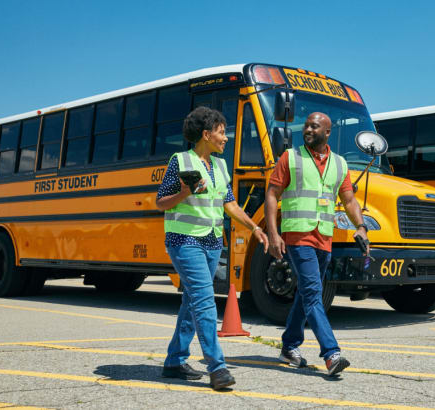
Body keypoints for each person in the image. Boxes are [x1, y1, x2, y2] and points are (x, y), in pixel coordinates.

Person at [156, 106, 268, 390]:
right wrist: (184, 192)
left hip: (212, 240)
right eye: (221, 132)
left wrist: (255, 228)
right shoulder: (180, 161)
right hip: (184, 240)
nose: (225, 138)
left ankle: (174, 361)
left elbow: (229, 204)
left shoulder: (219, 167)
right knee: (205, 299)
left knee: (191, 301)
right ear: (206, 135)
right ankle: (217, 367)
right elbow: (160, 202)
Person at [264, 112, 369, 376]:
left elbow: (349, 200)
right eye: (307, 125)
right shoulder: (290, 157)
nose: (308, 129)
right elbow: (272, 194)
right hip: (298, 235)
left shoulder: (339, 163)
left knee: (306, 294)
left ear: (327, 132)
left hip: (324, 236)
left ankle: (289, 345)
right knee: (313, 293)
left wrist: (361, 227)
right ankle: (331, 354)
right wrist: (274, 234)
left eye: (314, 126)